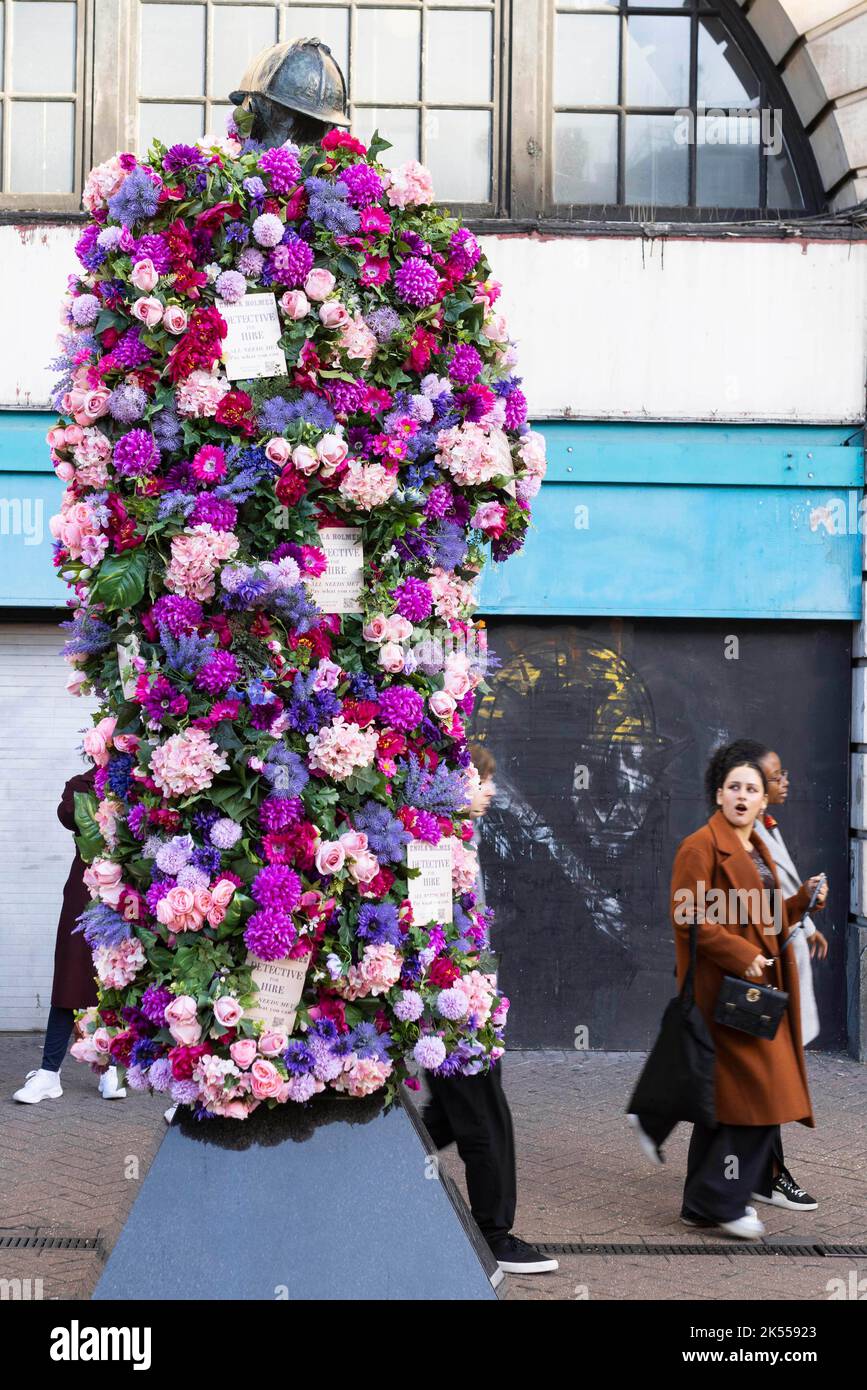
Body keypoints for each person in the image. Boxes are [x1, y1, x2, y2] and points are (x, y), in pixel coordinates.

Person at [640, 741, 825, 1238]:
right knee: (764, 1095)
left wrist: (802, 900)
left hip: (757, 996)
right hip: (724, 994)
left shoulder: (756, 846)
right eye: (734, 787)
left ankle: (704, 1203)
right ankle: (723, 1200)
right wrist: (743, 956)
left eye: (752, 789)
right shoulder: (700, 847)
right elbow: (688, 917)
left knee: (728, 1103)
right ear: (719, 794)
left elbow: (764, 918)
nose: (743, 796)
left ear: (764, 801)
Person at [420, 744, 559, 1274]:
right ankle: (494, 1235)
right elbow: (434, 933)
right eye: (480, 779)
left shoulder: (459, 838)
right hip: (453, 1008)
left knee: (453, 1114)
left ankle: (379, 1165)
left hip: (465, 1001)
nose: (491, 790)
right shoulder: (435, 848)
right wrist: (460, 997)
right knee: (485, 1117)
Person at [738, 741, 830, 1211]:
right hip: (762, 976)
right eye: (775, 777)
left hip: (779, 967)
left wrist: (808, 919)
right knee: (765, 1079)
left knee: (764, 1078)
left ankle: (750, 1176)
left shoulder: (766, 829)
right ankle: (766, 1175)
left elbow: (786, 886)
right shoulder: (743, 836)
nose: (784, 782)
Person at [13, 767, 125, 1104]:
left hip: (126, 892)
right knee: (70, 977)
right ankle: (49, 1073)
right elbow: (68, 814)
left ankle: (111, 1070)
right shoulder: (81, 786)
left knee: (120, 979)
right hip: (85, 889)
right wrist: (100, 789)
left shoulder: (138, 783)